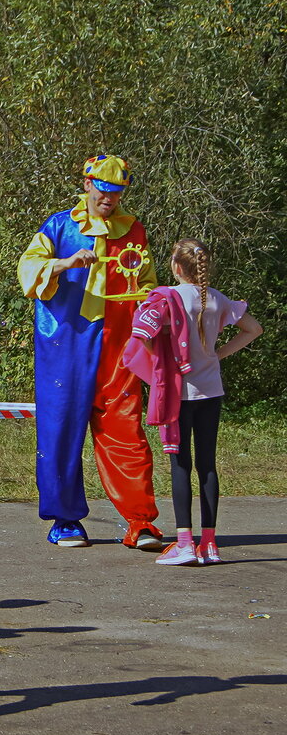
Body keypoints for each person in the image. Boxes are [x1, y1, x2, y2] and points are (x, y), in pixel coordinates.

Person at [18, 154, 163, 549]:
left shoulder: (133, 231)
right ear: (87, 185)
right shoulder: (61, 225)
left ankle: (140, 521)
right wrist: (65, 263)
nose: (110, 199)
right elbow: (27, 270)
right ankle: (65, 520)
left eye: (117, 193)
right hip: (66, 339)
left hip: (118, 343)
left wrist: (154, 309)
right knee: (60, 426)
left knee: (126, 427)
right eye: (104, 190)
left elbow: (147, 281)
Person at [149, 239, 263, 565]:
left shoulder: (169, 298)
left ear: (175, 267)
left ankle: (184, 542)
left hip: (179, 393)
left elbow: (144, 335)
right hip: (212, 391)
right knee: (207, 465)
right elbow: (253, 328)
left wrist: (157, 367)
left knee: (180, 464)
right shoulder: (216, 299)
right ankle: (209, 544)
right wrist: (219, 354)